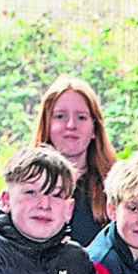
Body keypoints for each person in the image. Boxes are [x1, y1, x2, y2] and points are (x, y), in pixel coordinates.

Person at [33, 76, 117, 247]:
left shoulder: (116, 186)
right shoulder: (23, 184)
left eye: (81, 117)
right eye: (60, 116)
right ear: (46, 125)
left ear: (95, 128)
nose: (71, 125)